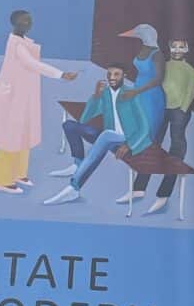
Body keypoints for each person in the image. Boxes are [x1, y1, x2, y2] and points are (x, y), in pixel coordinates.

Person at [0, 10, 76, 194]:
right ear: (15, 24)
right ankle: (1, 180)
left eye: (28, 21)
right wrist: (61, 74)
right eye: (23, 21)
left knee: (24, 134)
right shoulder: (16, 44)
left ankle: (18, 173)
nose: (27, 24)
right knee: (10, 137)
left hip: (24, 97)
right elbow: (33, 65)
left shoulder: (24, 42)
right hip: (13, 98)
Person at [43, 64, 151, 205]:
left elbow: (144, 127)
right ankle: (78, 164)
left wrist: (128, 145)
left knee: (106, 135)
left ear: (124, 76)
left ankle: (74, 188)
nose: (112, 77)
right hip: (109, 135)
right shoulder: (105, 93)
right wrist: (96, 96)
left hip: (127, 139)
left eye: (116, 74)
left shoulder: (131, 94)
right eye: (109, 74)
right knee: (70, 126)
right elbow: (85, 118)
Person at [134, 38, 194, 215]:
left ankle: (164, 192)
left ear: (186, 49)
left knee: (176, 146)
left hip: (179, 111)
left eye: (181, 47)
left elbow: (190, 91)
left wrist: (183, 109)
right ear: (169, 48)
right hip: (161, 108)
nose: (177, 50)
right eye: (174, 47)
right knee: (153, 143)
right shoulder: (165, 66)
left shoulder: (189, 71)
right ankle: (139, 186)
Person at [115, 23, 166, 204]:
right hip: (138, 94)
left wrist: (137, 91)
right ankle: (138, 185)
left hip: (151, 98)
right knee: (137, 131)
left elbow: (158, 79)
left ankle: (138, 188)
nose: (134, 33)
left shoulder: (157, 54)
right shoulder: (144, 49)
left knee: (148, 138)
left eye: (138, 31)